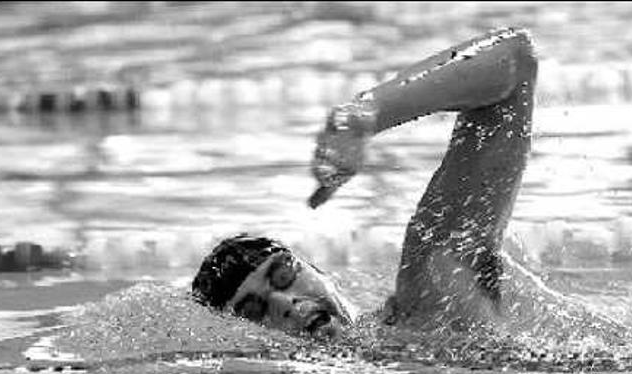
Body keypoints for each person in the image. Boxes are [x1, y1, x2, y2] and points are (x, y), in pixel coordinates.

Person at [193, 27, 541, 339]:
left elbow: (515, 57)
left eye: (282, 276)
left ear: (319, 270)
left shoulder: (432, 299)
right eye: (252, 310)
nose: (282, 304)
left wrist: (363, 114)